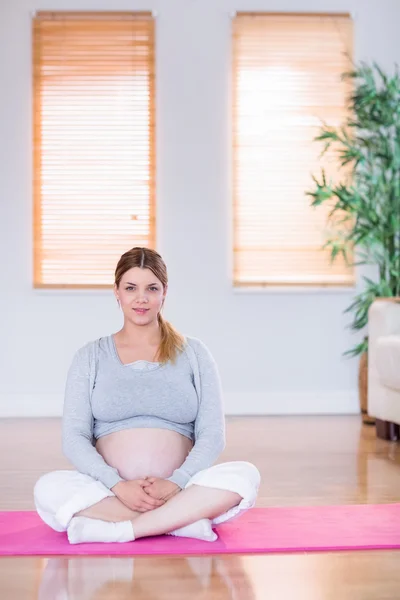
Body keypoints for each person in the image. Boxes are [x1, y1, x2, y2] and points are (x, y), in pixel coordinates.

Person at [34, 247, 260, 544]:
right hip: (112, 491)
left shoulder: (194, 353)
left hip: (182, 488)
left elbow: (212, 434)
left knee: (244, 476)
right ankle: (181, 522)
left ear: (164, 292)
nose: (141, 298)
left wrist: (177, 483)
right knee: (47, 488)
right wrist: (117, 485)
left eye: (151, 288)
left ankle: (124, 528)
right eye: (131, 288)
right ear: (117, 292)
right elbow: (74, 437)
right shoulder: (90, 356)